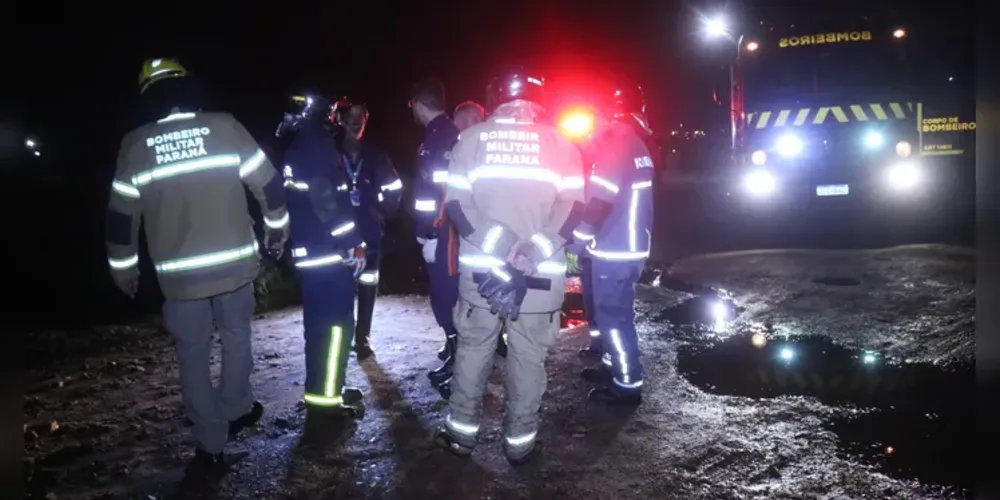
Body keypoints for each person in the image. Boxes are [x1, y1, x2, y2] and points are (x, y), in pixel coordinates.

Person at [107, 58, 287, 468]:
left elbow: (121, 218)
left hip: (179, 278)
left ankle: (211, 443)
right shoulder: (225, 127)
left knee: (192, 354)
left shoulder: (135, 146)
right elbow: (269, 185)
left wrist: (124, 270)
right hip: (234, 267)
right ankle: (236, 406)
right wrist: (276, 231)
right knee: (237, 335)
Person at [436, 67, 586, 464]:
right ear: (539, 101)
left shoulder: (469, 140)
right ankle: (520, 444)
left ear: (495, 96)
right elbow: (573, 211)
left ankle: (461, 436)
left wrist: (498, 245)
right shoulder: (561, 144)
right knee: (528, 358)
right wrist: (532, 251)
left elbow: (455, 206)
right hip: (539, 277)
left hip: (482, 275)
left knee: (472, 350)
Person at [410, 79, 504, 397]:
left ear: (418, 103)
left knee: (448, 299)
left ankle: (463, 371)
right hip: (442, 230)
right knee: (445, 299)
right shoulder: (437, 135)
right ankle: (455, 359)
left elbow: (445, 191)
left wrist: (431, 232)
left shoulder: (444, 137)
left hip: (446, 233)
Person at [277, 93, 368, 419]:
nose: (335, 118)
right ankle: (327, 408)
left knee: (319, 329)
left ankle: (326, 390)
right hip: (327, 254)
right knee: (334, 329)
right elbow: (326, 202)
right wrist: (353, 242)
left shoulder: (300, 146)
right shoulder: (315, 146)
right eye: (331, 112)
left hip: (312, 252)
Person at [571, 86, 655, 406]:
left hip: (616, 248)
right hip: (626, 244)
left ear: (600, 117)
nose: (584, 135)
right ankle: (611, 365)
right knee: (615, 315)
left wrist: (577, 240)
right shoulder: (631, 142)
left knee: (614, 319)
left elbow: (600, 201)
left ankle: (626, 383)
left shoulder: (615, 146)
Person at [334, 100, 403, 359]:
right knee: (340, 286)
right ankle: (342, 336)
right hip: (340, 236)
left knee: (367, 284)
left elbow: (394, 188)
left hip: (370, 233)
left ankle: (362, 338)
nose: (357, 120)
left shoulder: (376, 155)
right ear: (340, 120)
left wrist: (384, 210)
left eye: (361, 116)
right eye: (351, 116)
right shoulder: (331, 153)